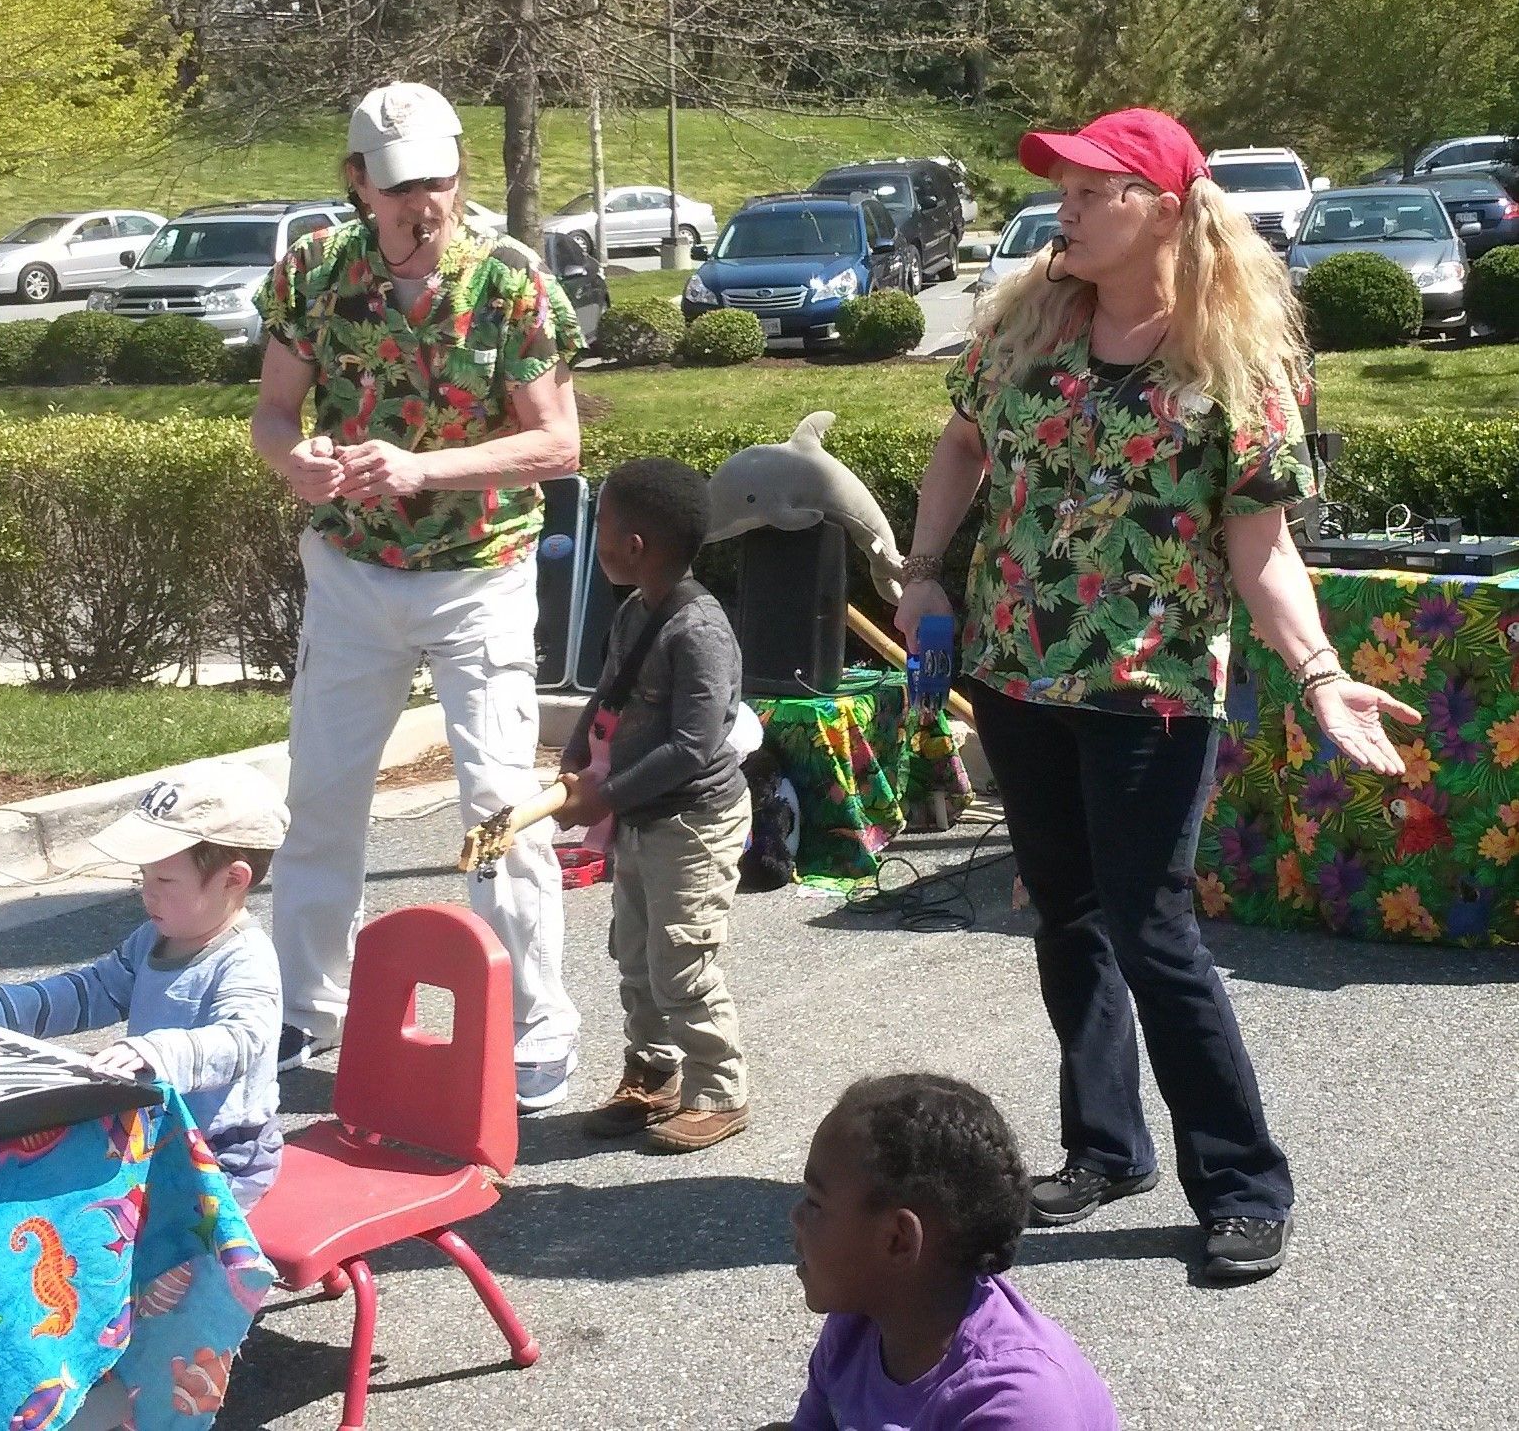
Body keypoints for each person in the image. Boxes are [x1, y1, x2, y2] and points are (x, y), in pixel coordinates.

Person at [895, 107, 1421, 1281]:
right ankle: (1104, 1145)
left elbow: (1262, 549)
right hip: (1017, 669)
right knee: (1064, 910)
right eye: (1064, 191)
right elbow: (960, 445)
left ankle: (1240, 1179)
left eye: (1091, 192)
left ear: (1164, 209)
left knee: (1153, 926)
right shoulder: (1030, 323)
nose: (1064, 211)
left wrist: (1321, 671)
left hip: (1151, 686)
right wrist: (925, 572)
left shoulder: (1229, 361)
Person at [250, 81, 585, 1111]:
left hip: (477, 572)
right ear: (357, 183)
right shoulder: (312, 271)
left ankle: (535, 1022)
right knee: (321, 797)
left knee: (500, 806)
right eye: (398, 187)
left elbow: (557, 442)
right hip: (351, 572)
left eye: (437, 180)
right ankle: (309, 1001)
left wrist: (424, 469)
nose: (421, 204)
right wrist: (294, 463)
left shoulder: (513, 282)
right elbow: (271, 411)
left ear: (459, 173)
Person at [0, 761, 287, 1208]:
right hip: (155, 1132)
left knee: (135, 1242)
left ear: (233, 879)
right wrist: (4, 1008)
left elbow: (242, 1041)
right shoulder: (154, 939)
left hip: (222, 1154)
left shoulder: (247, 959)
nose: (147, 894)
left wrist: (155, 1050)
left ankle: (203, 1277)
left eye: (164, 880)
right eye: (143, 877)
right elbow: (94, 990)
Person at [555, 458, 753, 1151]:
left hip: (692, 822)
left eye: (602, 524)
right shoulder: (638, 610)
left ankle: (719, 1088)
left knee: (681, 958)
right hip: (642, 817)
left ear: (633, 544)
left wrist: (603, 794)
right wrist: (577, 754)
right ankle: (653, 1072)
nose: (595, 538)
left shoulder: (696, 629)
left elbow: (693, 744)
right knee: (634, 953)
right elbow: (606, 692)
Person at [774, 1073, 1118, 1430]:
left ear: (898, 1240)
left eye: (815, 1202)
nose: (795, 1216)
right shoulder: (855, 1324)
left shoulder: (1017, 1402)